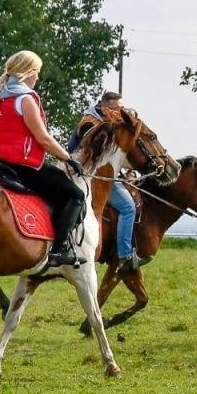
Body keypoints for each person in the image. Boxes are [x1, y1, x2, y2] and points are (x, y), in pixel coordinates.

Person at [0, 50, 87, 268]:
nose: (37, 77)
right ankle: (59, 249)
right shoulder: (25, 99)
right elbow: (43, 139)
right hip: (23, 168)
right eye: (37, 72)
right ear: (29, 72)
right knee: (76, 195)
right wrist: (68, 158)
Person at [67, 90, 142, 275]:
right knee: (128, 207)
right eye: (117, 109)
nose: (120, 112)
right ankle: (124, 254)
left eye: (121, 108)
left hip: (99, 174)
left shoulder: (104, 121)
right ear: (104, 106)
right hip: (89, 177)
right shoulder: (90, 123)